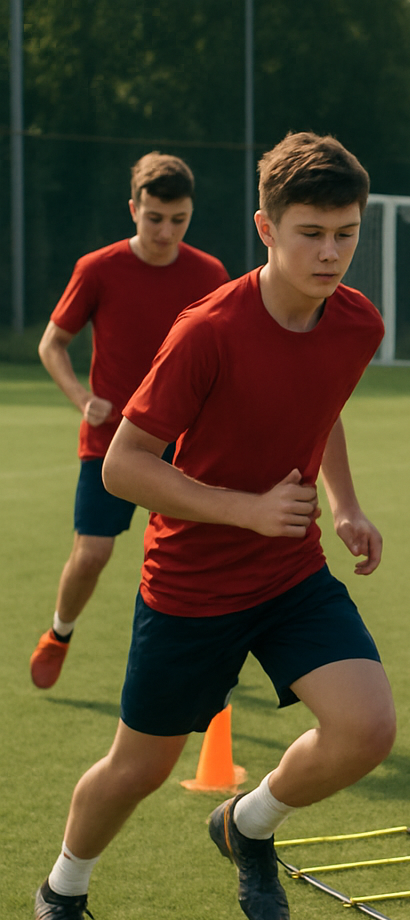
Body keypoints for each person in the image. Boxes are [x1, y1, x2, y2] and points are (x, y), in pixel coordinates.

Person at [33, 132, 395, 920]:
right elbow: (124, 466)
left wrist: (344, 505)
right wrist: (245, 509)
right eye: (311, 232)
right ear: (265, 228)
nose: (332, 251)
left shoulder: (358, 322)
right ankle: (63, 891)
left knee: (366, 729)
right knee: (139, 768)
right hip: (190, 585)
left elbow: (323, 408)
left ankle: (246, 823)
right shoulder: (208, 330)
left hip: (290, 569)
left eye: (346, 232)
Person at [30, 153, 229, 689]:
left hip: (185, 442)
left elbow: (226, 351)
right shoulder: (97, 268)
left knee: (200, 557)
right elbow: (52, 344)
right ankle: (59, 632)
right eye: (155, 218)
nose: (166, 231)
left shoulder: (209, 273)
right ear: (133, 209)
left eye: (179, 219)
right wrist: (81, 397)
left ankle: (207, 655)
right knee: (93, 552)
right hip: (111, 441)